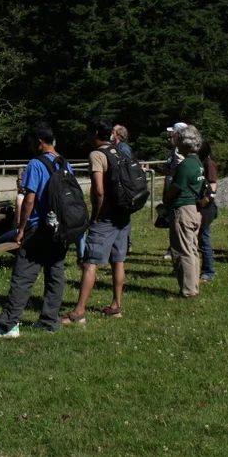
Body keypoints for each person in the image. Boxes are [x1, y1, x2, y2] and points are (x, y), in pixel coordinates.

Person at [0, 121, 73, 338]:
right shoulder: (64, 163)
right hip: (61, 228)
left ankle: (9, 324)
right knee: (55, 274)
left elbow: (29, 199)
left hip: (39, 227)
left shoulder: (36, 164)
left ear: (40, 141)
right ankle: (49, 321)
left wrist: (21, 228)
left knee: (23, 276)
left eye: (31, 141)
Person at [62, 116, 131, 324]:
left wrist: (94, 216)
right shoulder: (119, 150)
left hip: (106, 216)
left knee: (90, 262)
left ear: (94, 133)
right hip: (123, 215)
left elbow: (99, 191)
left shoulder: (97, 155)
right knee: (118, 261)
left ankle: (78, 312)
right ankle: (116, 306)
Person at [163, 124, 204, 299]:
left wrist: (166, 199)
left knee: (183, 250)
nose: (176, 144)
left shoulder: (185, 165)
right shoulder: (197, 162)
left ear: (185, 144)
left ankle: (187, 290)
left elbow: (175, 188)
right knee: (192, 249)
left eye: (178, 141)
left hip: (182, 210)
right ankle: (193, 285)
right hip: (194, 209)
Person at [162, 122, 187, 259]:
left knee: (177, 221)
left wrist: (170, 171)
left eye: (172, 133)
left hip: (176, 191)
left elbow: (180, 169)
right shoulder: (174, 150)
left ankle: (176, 250)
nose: (170, 136)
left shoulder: (180, 151)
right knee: (172, 221)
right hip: (170, 189)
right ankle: (172, 248)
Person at [197, 141, 218, 282]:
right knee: (200, 238)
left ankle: (208, 271)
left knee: (204, 239)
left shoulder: (209, 163)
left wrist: (206, 200)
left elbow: (213, 184)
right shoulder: (201, 161)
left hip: (207, 208)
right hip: (201, 205)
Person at [0, 169, 26, 244]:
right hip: (32, 229)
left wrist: (11, 231)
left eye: (18, 179)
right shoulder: (33, 194)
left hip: (22, 231)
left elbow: (17, 221)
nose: (17, 181)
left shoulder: (20, 197)